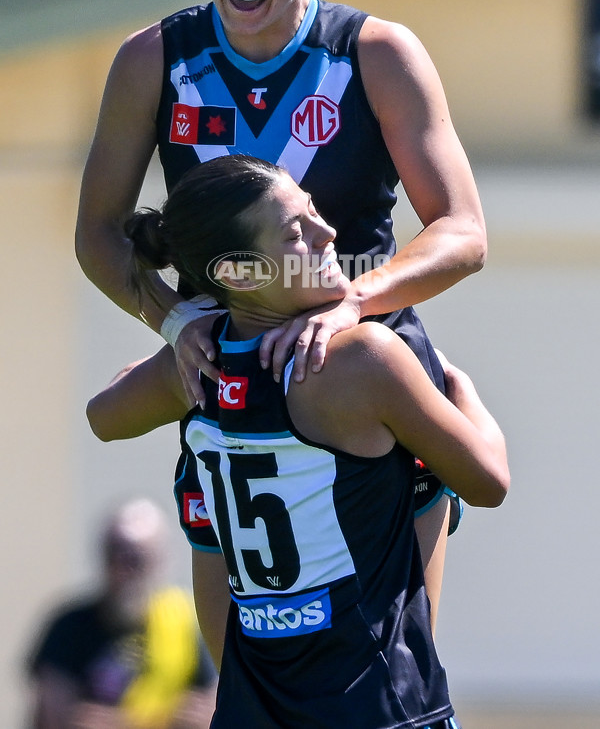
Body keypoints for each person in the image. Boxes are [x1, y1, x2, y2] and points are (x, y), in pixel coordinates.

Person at [75, 0, 487, 631]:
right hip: (228, 393)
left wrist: (350, 307)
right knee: (243, 686)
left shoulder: (377, 53)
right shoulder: (153, 60)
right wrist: (172, 319)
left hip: (370, 382)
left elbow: (463, 229)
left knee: (393, 676)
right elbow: (98, 235)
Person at [86, 155, 509, 729]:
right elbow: (488, 482)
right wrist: (463, 390)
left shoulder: (198, 363)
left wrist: (177, 328)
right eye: (295, 233)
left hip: (252, 710)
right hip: (379, 707)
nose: (328, 232)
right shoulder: (363, 361)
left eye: (314, 211)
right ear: (238, 274)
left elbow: (103, 415)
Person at [26, 498, 217, 729]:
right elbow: (60, 720)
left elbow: (209, 713)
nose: (123, 567)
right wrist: (169, 717)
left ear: (161, 559)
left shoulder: (188, 622)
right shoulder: (68, 626)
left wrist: (121, 722)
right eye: (113, 552)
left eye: (135, 557)